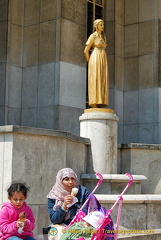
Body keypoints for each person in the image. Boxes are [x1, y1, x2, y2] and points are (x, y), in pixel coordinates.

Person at [47, 168, 89, 240]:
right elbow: (54, 220)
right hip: (61, 225)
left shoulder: (82, 192)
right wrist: (64, 206)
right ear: (60, 181)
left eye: (73, 179)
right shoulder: (53, 195)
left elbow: (87, 211)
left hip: (79, 225)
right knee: (54, 232)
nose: (71, 182)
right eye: (66, 179)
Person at [84, 19, 109, 108]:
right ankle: (95, 102)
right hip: (95, 57)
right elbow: (86, 51)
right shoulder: (93, 36)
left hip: (103, 57)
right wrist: (90, 62)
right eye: (100, 25)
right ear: (96, 26)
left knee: (102, 79)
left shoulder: (104, 36)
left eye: (103, 25)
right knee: (96, 78)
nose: (102, 26)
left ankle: (101, 101)